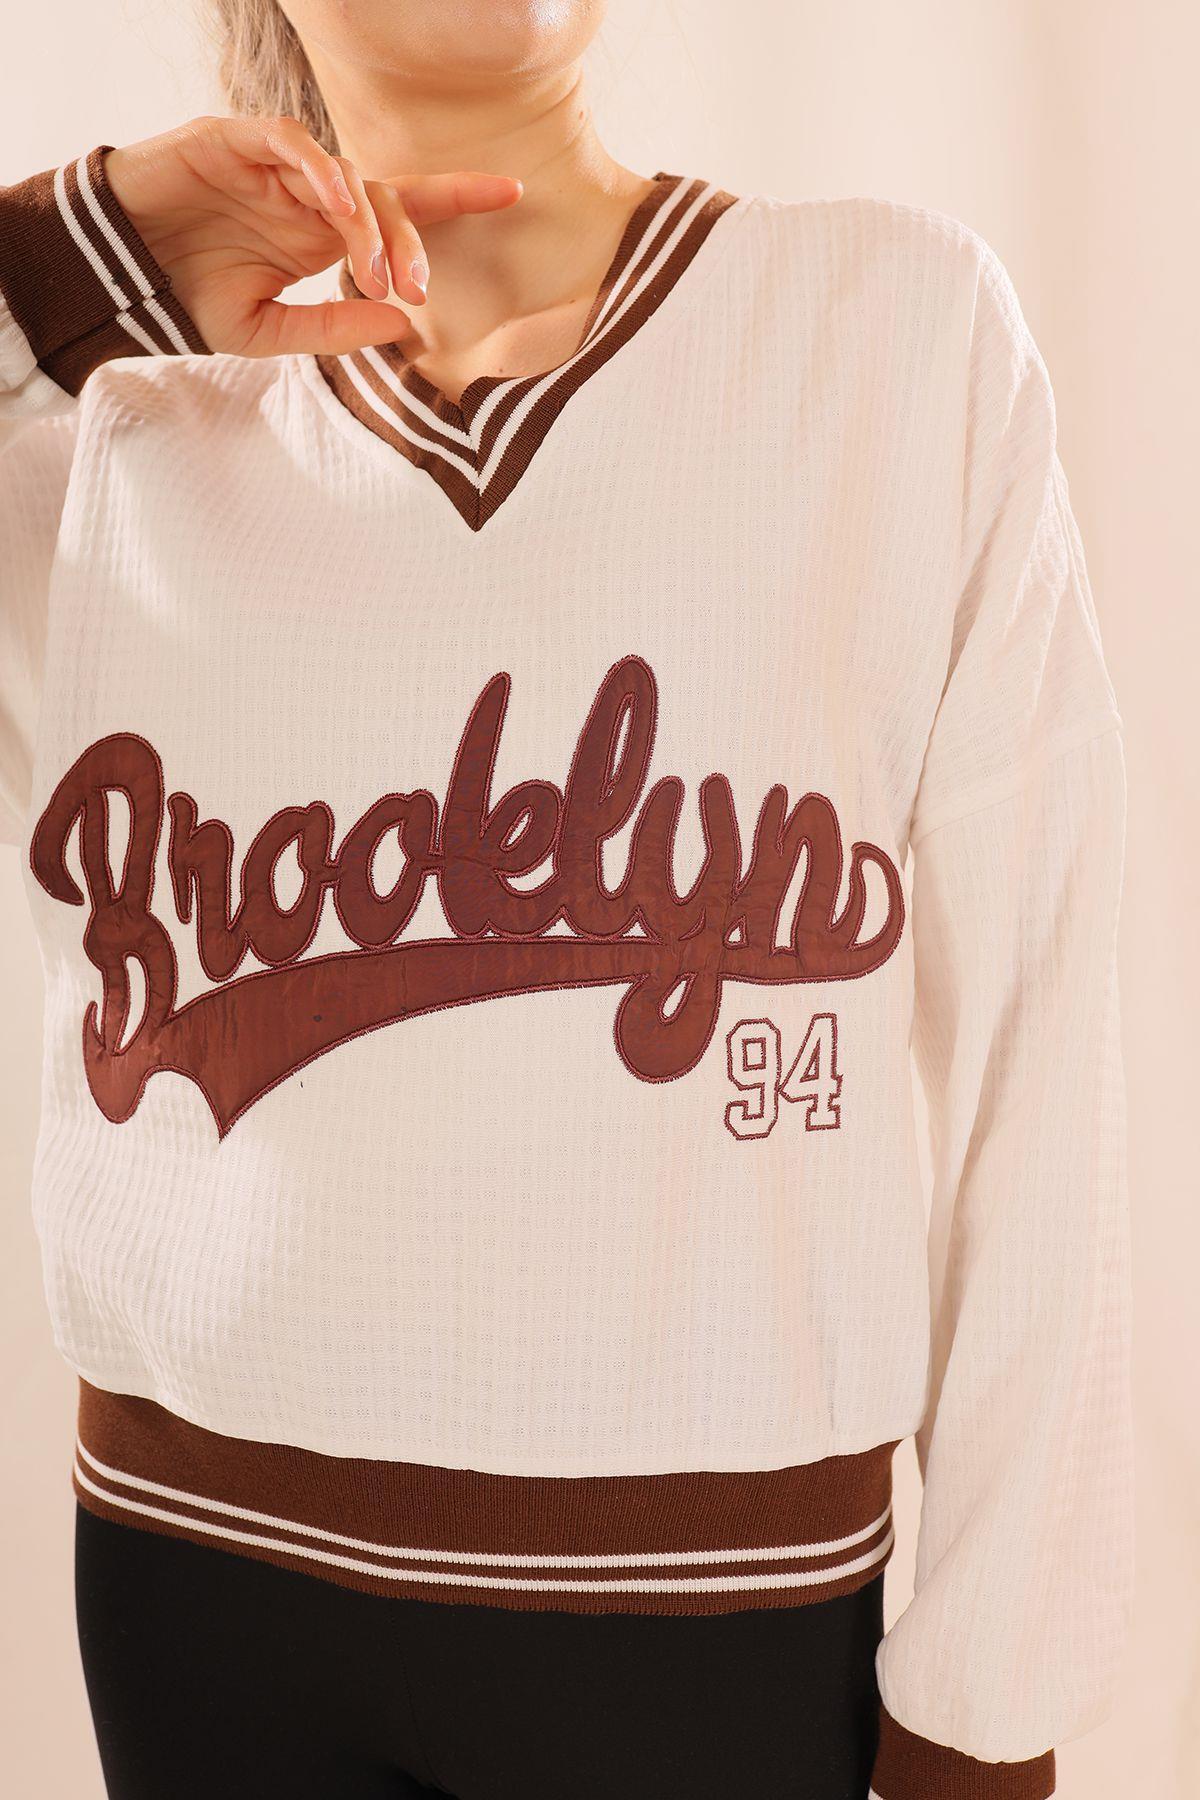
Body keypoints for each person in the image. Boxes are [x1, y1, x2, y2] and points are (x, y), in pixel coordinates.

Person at [0, 3, 1134, 1797]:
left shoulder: (892, 332)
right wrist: (77, 250)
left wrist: (986, 1709)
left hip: (718, 1606)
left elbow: (1041, 1052)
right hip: (193, 1576)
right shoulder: (106, 421)